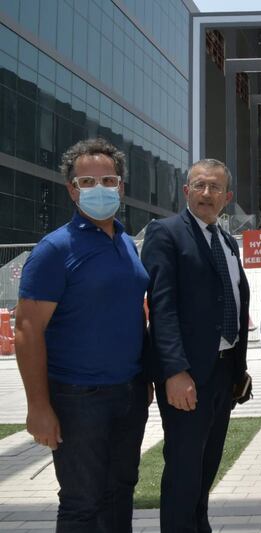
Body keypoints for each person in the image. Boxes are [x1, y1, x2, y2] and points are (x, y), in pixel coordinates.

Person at [14, 138, 150, 532]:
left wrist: (143, 378)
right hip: (77, 398)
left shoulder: (125, 242)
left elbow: (130, 313)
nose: (99, 188)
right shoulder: (54, 250)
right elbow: (26, 330)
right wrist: (38, 406)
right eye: (87, 182)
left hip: (128, 393)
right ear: (71, 189)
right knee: (81, 502)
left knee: (121, 490)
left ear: (121, 187)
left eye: (108, 179)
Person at [141, 158, 250, 533]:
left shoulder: (227, 241)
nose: (207, 193)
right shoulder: (166, 233)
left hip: (222, 375)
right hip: (187, 375)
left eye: (215, 187)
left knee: (206, 470)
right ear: (186, 190)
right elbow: (162, 306)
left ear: (227, 197)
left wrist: (239, 371)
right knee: (184, 472)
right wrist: (173, 371)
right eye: (199, 185)